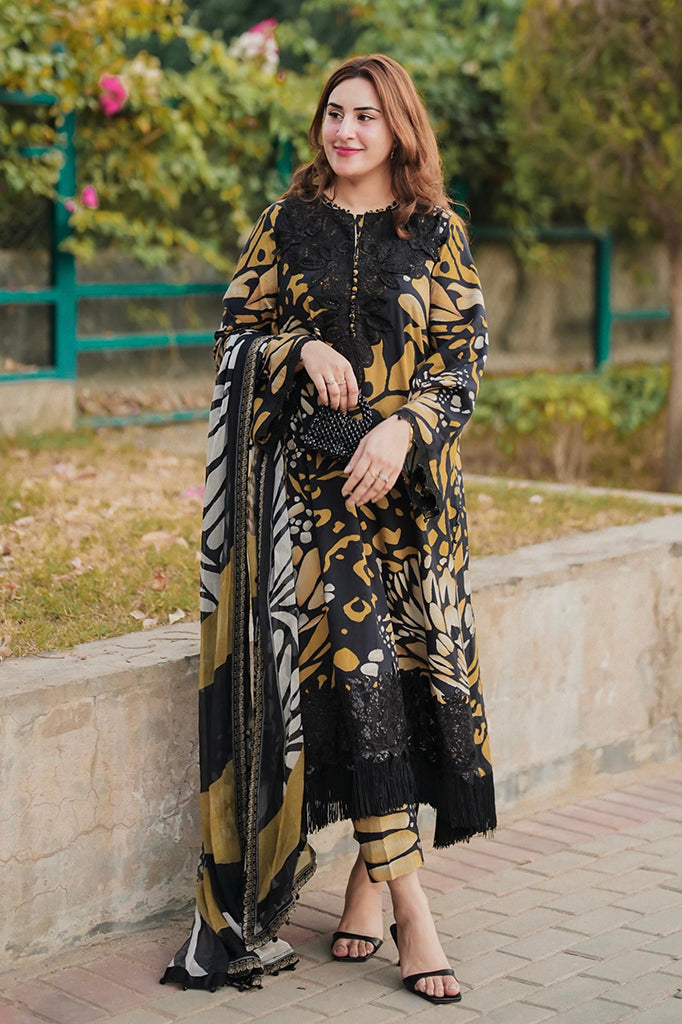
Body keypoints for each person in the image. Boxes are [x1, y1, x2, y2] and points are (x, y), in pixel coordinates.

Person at [162, 52, 496, 1006]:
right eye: (334, 113)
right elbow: (232, 336)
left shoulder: (436, 231)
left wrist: (403, 428)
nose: (344, 130)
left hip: (413, 504)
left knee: (398, 692)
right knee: (359, 675)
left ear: (400, 130)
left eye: (365, 116)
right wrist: (299, 346)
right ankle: (415, 914)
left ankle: (365, 883)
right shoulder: (286, 223)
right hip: (313, 503)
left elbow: (464, 358)